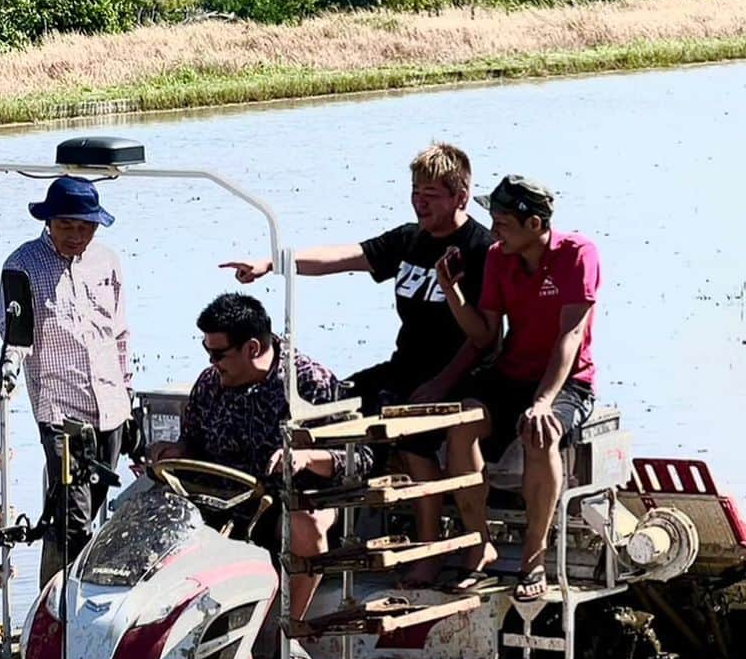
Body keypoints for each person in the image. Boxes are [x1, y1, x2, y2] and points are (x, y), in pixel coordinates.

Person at [221, 143, 493, 584]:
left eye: (432, 194)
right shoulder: (410, 239)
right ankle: (317, 528)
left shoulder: (481, 248)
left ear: (460, 196)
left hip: (464, 373)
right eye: (415, 192)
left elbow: (484, 337)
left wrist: (444, 383)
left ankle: (427, 550)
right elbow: (345, 258)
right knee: (336, 403)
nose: (419, 202)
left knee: (415, 437)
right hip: (408, 365)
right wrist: (273, 263)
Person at [415, 176, 600, 601]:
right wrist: (452, 291)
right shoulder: (500, 257)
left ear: (534, 224)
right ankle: (478, 544)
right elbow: (485, 335)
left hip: (567, 380)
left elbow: (570, 336)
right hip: (511, 373)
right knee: (461, 424)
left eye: (502, 222)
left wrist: (542, 402)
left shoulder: (578, 254)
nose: (493, 232)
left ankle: (532, 559)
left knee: (540, 432)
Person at [150, 293, 349, 659]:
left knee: (307, 527)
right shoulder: (210, 385)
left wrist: (305, 458)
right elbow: (192, 440)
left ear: (253, 347)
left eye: (218, 354)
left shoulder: (309, 383)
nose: (211, 363)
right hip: (222, 501)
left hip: (294, 499)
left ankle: (287, 637)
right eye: (207, 352)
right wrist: (172, 449)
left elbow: (357, 459)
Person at [0, 176, 133, 586]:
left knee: (90, 512)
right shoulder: (22, 265)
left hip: (111, 409)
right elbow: (15, 335)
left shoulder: (107, 261)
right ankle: (63, 617)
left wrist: (129, 395)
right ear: (49, 222)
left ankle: (62, 604)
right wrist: (5, 375)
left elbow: (120, 333)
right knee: (73, 521)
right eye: (67, 226)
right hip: (61, 414)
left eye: (85, 227)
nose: (76, 236)